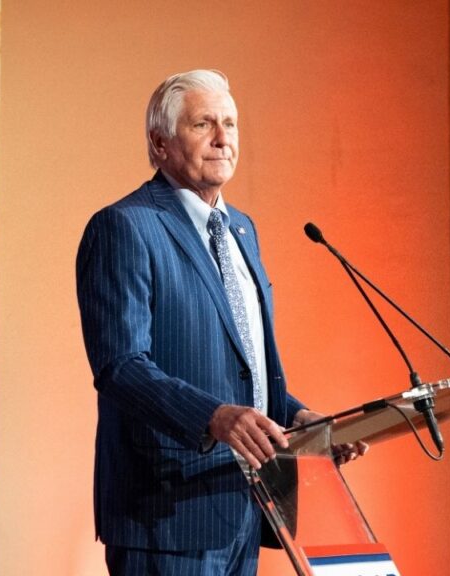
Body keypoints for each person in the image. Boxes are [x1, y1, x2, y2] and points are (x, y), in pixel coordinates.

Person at [76, 69, 362, 575]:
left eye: (230, 124)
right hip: (165, 514)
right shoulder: (125, 227)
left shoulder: (241, 230)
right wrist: (213, 417)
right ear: (159, 143)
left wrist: (300, 419)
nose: (223, 138)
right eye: (203, 124)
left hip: (245, 504)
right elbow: (120, 365)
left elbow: (246, 367)